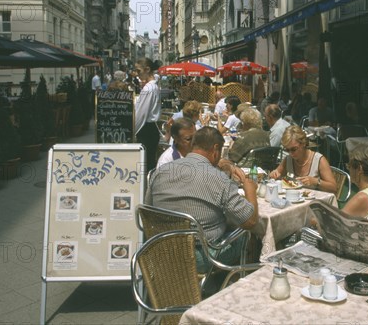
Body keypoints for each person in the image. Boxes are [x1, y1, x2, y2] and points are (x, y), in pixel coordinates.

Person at [147, 127, 258, 269]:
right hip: (197, 257)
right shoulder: (218, 178)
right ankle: (233, 284)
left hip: (161, 250)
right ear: (215, 149)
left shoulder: (160, 171)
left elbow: (149, 208)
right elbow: (250, 221)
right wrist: (250, 190)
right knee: (246, 235)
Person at [269, 126, 338, 192]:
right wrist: (273, 175)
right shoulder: (288, 159)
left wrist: (315, 182)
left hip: (317, 202)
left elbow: (333, 188)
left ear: (303, 143)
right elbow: (275, 175)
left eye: (294, 149)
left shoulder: (319, 160)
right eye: (287, 150)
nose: (290, 153)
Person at [133, 58, 162, 171]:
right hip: (151, 128)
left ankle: (146, 187)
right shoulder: (153, 86)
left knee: (145, 163)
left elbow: (141, 114)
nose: (137, 74)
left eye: (139, 71)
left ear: (147, 69)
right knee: (149, 161)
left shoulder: (148, 88)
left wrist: (133, 131)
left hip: (146, 130)